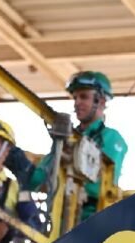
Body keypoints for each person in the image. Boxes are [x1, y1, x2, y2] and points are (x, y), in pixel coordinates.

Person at [7, 71, 127, 222]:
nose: (77, 102)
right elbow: (38, 180)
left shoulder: (112, 138)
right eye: (75, 98)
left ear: (101, 102)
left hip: (92, 222)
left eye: (84, 97)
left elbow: (97, 187)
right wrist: (16, 161)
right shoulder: (65, 138)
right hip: (61, 221)